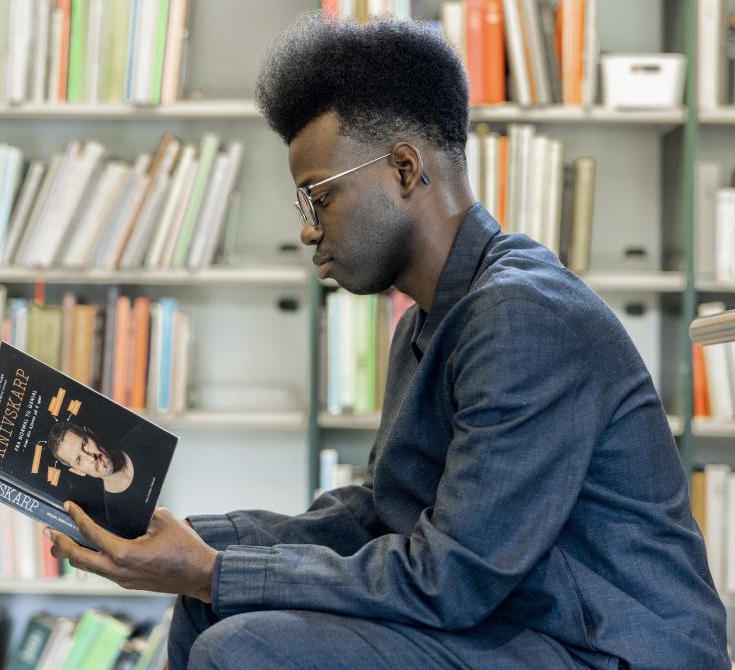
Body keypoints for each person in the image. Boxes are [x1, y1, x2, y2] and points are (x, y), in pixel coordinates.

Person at [46, 14, 730, 669]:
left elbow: (449, 578)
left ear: (404, 168)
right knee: (207, 609)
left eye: (318, 197)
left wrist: (215, 570)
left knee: (243, 645)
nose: (308, 230)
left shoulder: (521, 317)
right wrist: (196, 542)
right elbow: (379, 514)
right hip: (520, 626)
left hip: (604, 649)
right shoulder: (433, 318)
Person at [48, 420, 139, 537]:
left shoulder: (140, 436)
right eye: (79, 460)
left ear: (91, 434)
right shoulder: (116, 518)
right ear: (78, 471)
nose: (91, 458)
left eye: (84, 444)